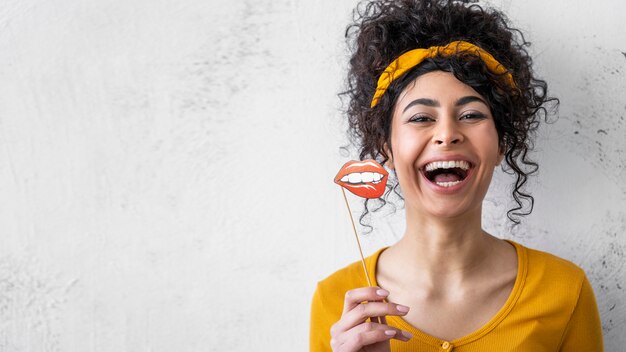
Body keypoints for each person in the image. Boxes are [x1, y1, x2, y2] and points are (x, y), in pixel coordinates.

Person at [310, 0, 604, 351]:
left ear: (500, 145)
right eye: (420, 118)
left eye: (470, 115)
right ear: (385, 147)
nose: (446, 134)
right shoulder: (339, 303)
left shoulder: (565, 290)